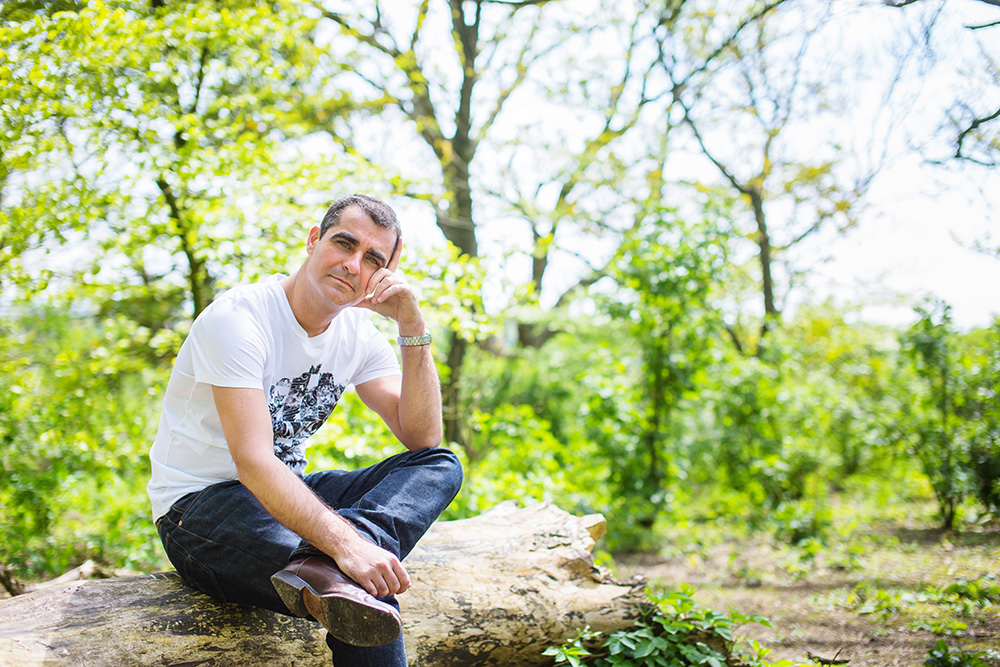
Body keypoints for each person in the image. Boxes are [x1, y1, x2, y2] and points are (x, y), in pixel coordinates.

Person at [147, 194, 463, 666]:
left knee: (439, 464)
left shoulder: (358, 335)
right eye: (344, 244)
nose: (354, 265)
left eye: (373, 259)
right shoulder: (239, 319)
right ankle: (337, 564)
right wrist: (348, 548)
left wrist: (411, 323)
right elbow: (253, 462)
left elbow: (422, 437)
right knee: (361, 590)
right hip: (200, 509)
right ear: (314, 240)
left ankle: (327, 564)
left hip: (284, 493)